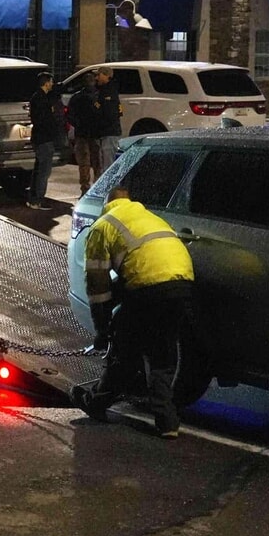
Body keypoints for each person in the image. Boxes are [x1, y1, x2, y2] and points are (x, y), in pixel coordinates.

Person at [70, 185, 196, 439]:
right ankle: (167, 422)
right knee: (163, 355)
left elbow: (98, 287)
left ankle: (97, 402)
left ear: (107, 205)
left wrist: (103, 330)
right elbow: (137, 271)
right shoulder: (150, 218)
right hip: (182, 286)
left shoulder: (103, 226)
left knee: (125, 350)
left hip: (147, 290)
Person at [26, 71, 60, 209]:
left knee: (39, 170)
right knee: (43, 171)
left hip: (41, 138)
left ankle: (34, 198)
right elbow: (44, 120)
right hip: (43, 139)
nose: (52, 84)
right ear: (46, 83)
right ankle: (37, 200)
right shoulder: (41, 99)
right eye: (51, 81)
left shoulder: (39, 97)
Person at [68, 72, 106, 192]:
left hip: (84, 133)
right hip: (93, 133)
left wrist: (78, 124)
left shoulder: (77, 97)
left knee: (85, 163)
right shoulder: (99, 96)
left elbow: (70, 115)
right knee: (96, 162)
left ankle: (85, 187)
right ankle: (96, 187)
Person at [92, 67, 123, 169]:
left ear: (107, 76)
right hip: (106, 133)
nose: (97, 78)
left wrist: (99, 126)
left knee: (109, 166)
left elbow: (110, 114)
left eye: (99, 75)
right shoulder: (104, 90)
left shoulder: (109, 91)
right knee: (105, 163)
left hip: (109, 133)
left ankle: (110, 184)